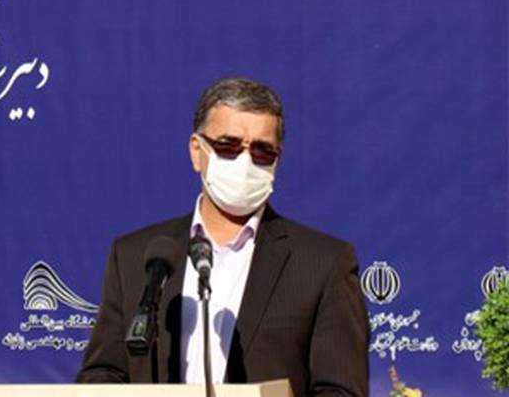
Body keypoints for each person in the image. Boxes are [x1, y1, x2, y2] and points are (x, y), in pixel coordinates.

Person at [76, 77, 369, 396]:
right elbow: (103, 373)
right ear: (196, 151)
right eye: (228, 146)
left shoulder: (323, 265)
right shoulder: (136, 256)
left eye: (262, 151)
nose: (245, 162)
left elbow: (341, 390)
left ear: (277, 160)